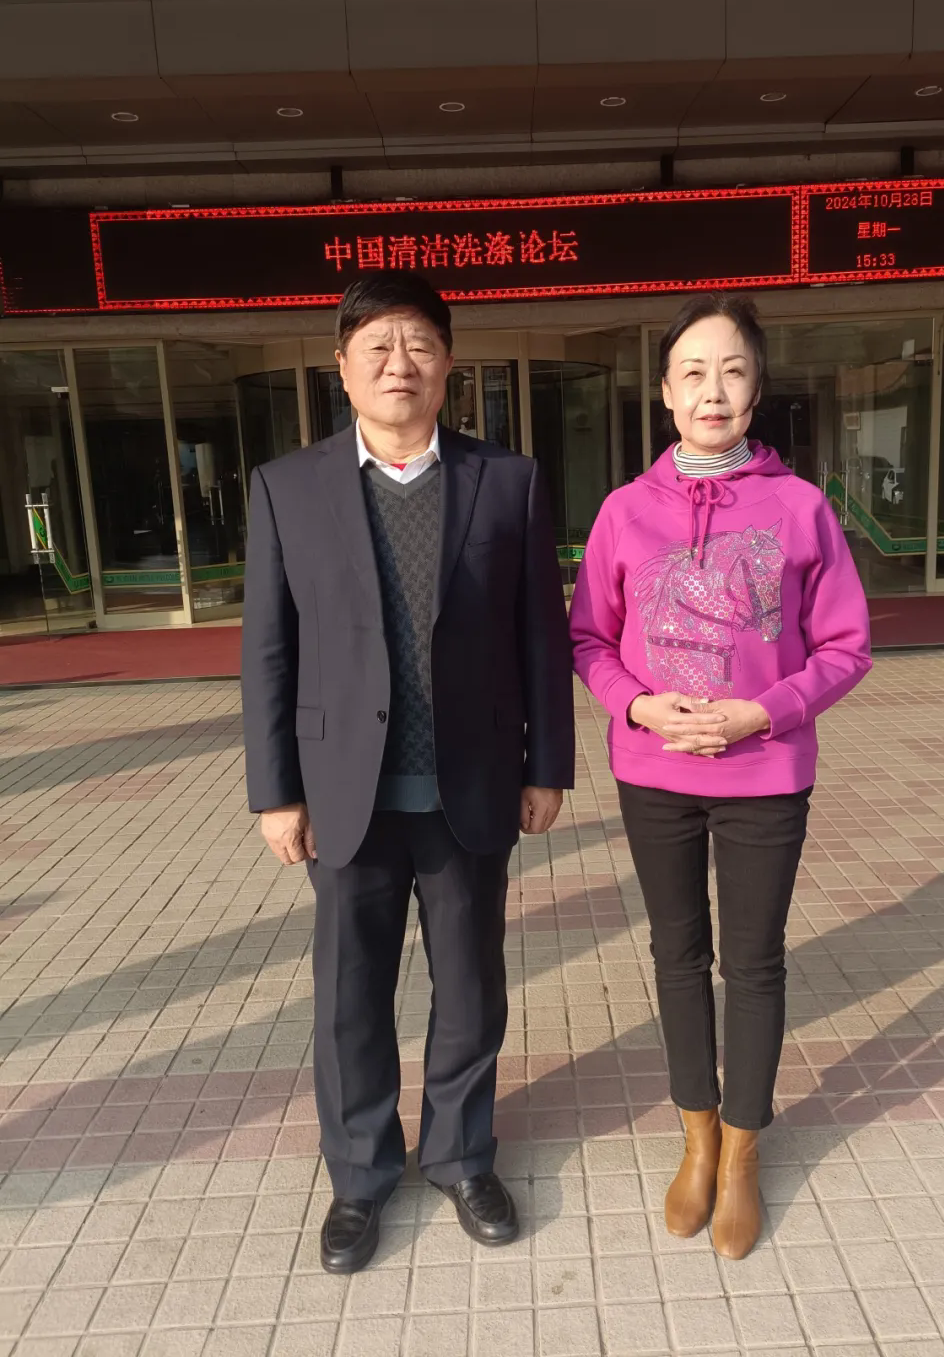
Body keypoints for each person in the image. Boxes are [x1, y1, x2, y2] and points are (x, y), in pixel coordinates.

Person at [242, 271, 574, 1274]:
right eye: (377, 346)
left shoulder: (506, 481)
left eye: (420, 344)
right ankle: (359, 1176)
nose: (400, 364)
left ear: (449, 364)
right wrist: (275, 791)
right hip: (344, 793)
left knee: (470, 988)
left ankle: (463, 1157)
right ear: (342, 369)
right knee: (351, 995)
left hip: (470, 786)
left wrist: (548, 765)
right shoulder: (286, 487)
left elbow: (540, 636)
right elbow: (268, 651)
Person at [570, 293, 870, 1259]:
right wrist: (639, 708)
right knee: (675, 954)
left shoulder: (801, 508)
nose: (713, 390)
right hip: (654, 773)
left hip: (767, 772)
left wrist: (763, 712)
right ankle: (695, 1134)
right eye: (693, 373)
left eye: (732, 371)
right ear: (665, 393)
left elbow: (846, 646)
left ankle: (742, 1149)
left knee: (754, 961)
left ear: (756, 388)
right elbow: (589, 638)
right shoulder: (624, 512)